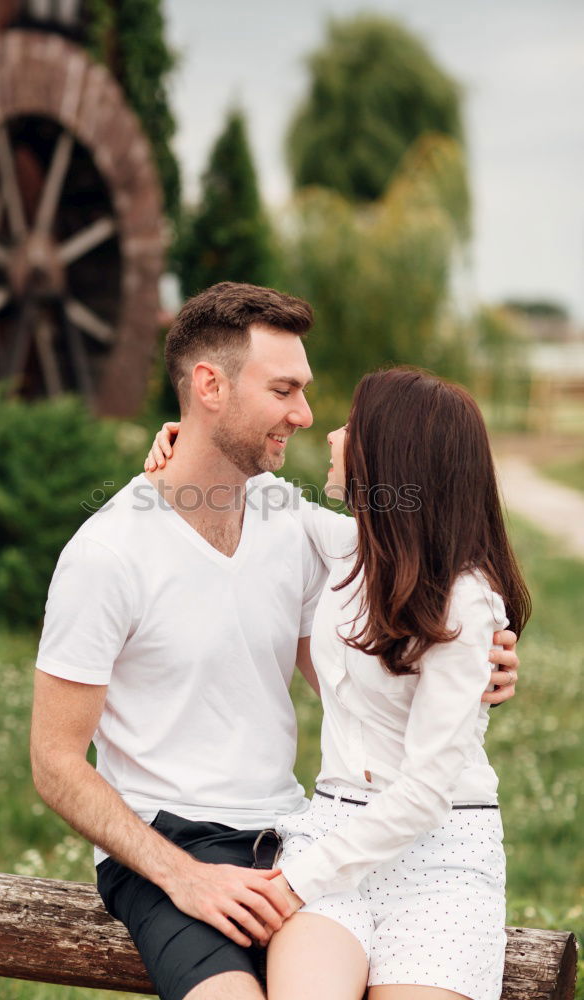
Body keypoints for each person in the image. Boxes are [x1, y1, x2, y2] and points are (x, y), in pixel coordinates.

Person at [31, 282, 519, 1000]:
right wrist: (181, 876)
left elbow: (401, 607)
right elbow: (52, 761)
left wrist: (468, 669)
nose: (307, 415)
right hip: (174, 844)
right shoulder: (108, 553)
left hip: (298, 831)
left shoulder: (286, 521)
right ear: (209, 387)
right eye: (285, 389)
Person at [261, 368, 531, 1000]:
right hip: (333, 832)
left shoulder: (465, 601)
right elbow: (260, 497)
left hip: (442, 856)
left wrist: (297, 882)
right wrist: (176, 441)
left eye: (351, 427)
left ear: (391, 453)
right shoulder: (354, 546)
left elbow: (426, 793)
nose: (331, 435)